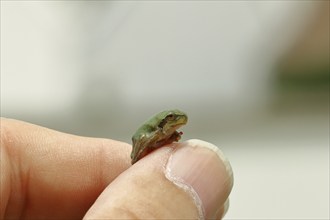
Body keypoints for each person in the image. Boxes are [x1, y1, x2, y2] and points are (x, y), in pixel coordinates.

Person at [0, 118, 233, 219]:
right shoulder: (155, 129)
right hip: (143, 141)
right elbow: (143, 136)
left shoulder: (168, 129)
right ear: (165, 122)